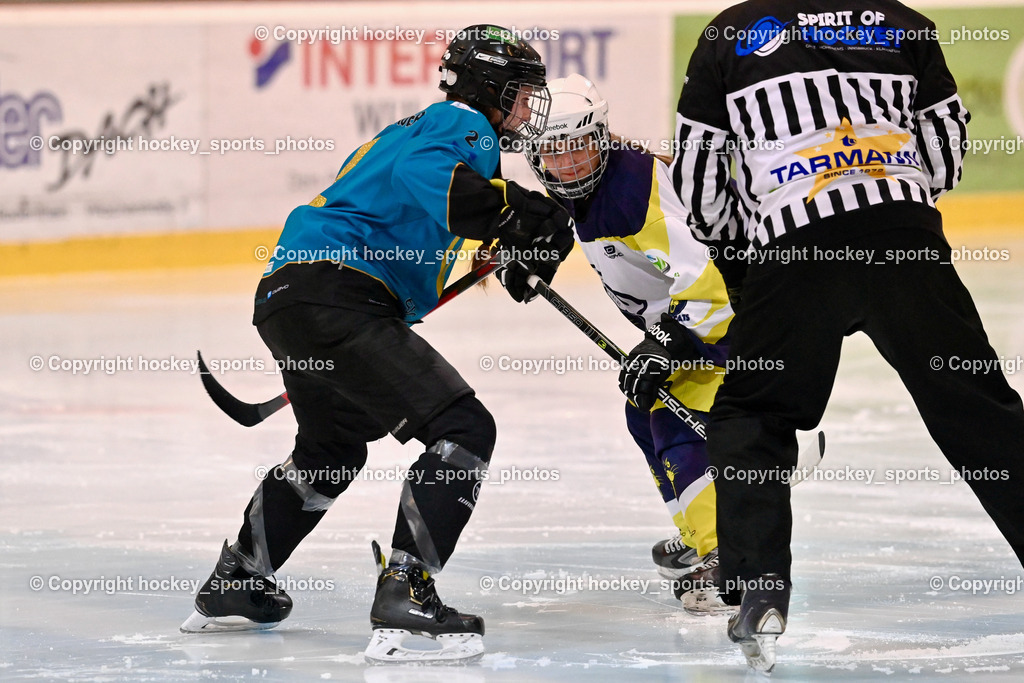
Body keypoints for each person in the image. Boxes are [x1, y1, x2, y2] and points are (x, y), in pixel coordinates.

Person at [180, 24, 574, 664]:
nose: (528, 109)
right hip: (341, 297)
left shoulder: (406, 131)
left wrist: (502, 248)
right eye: (522, 93)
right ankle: (407, 598)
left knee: (332, 448)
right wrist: (527, 213)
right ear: (488, 86)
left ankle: (241, 580)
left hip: (290, 295)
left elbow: (413, 211)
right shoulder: (463, 125)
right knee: (464, 429)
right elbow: (440, 186)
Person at [671, 0, 1024, 672]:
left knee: (752, 413)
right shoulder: (905, 22)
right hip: (905, 241)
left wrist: (741, 251)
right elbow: (945, 154)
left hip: (795, 249)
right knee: (983, 413)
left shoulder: (729, 33)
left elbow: (699, 179)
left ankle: (758, 590)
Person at [524, 74, 736, 615]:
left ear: (602, 138)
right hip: (687, 318)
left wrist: (667, 342)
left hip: (726, 318)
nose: (568, 165)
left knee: (672, 412)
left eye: (579, 148)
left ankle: (728, 557)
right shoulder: (595, 188)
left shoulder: (634, 190)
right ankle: (700, 531)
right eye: (553, 152)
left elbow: (711, 287)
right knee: (643, 411)